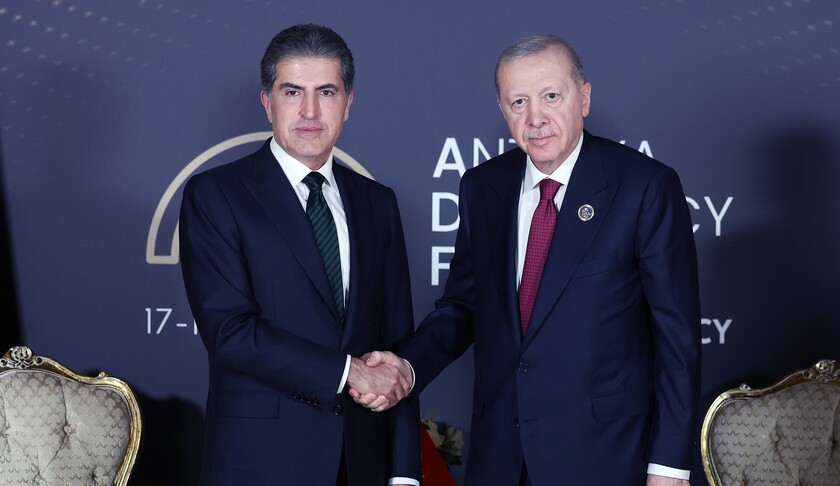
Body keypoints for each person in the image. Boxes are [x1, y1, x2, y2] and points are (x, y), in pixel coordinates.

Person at [354, 34, 701, 485]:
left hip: (606, 458)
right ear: (503, 110)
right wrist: (407, 365)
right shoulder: (483, 187)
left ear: (584, 98)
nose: (536, 118)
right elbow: (463, 307)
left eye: (551, 96)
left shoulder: (644, 186)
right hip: (501, 457)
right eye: (519, 102)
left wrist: (668, 466)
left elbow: (676, 340)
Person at [180, 24, 420, 485]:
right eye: (292, 92)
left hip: (362, 464)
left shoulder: (378, 203)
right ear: (267, 102)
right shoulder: (216, 195)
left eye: (326, 92)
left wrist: (404, 471)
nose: (310, 111)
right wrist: (348, 372)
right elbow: (230, 331)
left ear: (348, 104)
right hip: (259, 464)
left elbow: (397, 348)